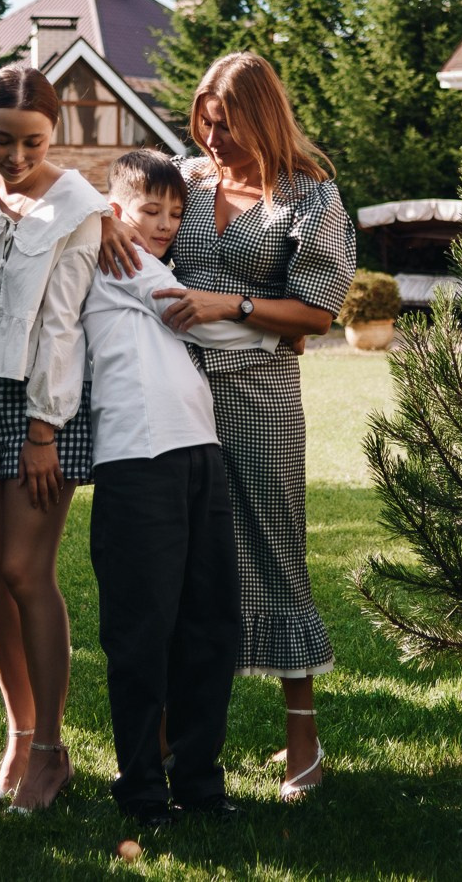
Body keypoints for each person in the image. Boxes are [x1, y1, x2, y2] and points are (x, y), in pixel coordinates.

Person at [132, 51, 356, 801]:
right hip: (173, 391)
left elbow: (319, 312)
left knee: (273, 546)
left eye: (226, 124)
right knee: (182, 557)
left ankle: (303, 743)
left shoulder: (308, 197)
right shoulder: (184, 182)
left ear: (262, 116)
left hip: (259, 396)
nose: (213, 137)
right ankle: (168, 732)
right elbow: (119, 214)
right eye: (205, 122)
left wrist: (233, 304)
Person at [84, 150, 275, 827]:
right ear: (115, 212)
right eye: (149, 211)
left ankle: (199, 781)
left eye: (174, 212)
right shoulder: (114, 259)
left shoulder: (150, 260)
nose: (164, 224)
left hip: (199, 454)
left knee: (211, 626)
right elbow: (189, 314)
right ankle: (140, 787)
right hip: (138, 462)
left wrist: (192, 169)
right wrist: (282, 326)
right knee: (142, 632)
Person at [0, 65, 110, 814]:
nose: (16, 157)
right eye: (1, 140)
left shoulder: (79, 205)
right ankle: (19, 733)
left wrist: (44, 427)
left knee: (23, 569)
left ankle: (51, 750)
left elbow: (63, 320)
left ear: (57, 135)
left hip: (47, 403)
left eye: (33, 142)